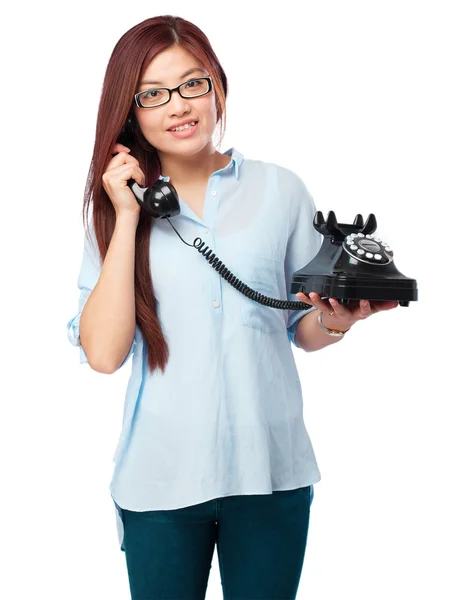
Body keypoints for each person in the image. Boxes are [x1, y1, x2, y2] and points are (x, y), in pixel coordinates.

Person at [67, 14, 399, 600]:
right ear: (130, 112)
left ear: (218, 84)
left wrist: (336, 321)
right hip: (161, 479)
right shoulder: (115, 211)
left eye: (193, 83)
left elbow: (299, 324)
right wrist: (124, 214)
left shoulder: (281, 190)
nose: (178, 105)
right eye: (153, 94)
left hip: (271, 469)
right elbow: (104, 354)